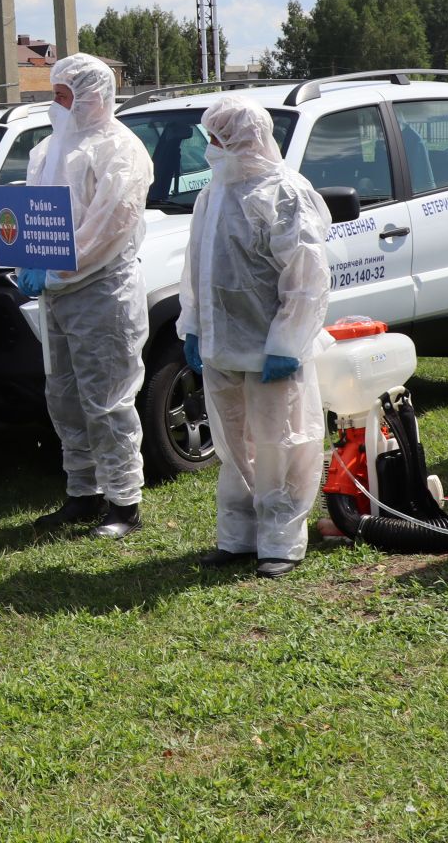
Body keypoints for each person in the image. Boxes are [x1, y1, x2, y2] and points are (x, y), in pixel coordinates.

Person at [180, 97, 331, 579]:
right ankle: (238, 538)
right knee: (233, 444)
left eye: (222, 139)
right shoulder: (214, 193)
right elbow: (196, 270)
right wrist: (193, 326)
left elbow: (306, 278)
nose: (213, 149)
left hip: (270, 349)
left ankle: (281, 543)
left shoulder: (286, 192)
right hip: (221, 345)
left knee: (279, 443)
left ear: (246, 139)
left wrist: (287, 344)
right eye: (212, 139)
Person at [24, 54, 155, 541]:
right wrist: (29, 260)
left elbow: (109, 228)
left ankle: (124, 500)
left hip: (101, 289)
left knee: (107, 399)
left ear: (94, 95)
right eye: (55, 94)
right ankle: (82, 493)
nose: (58, 104)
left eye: (66, 95)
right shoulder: (46, 150)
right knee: (64, 396)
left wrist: (56, 263)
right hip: (57, 293)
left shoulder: (120, 149)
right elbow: (33, 216)